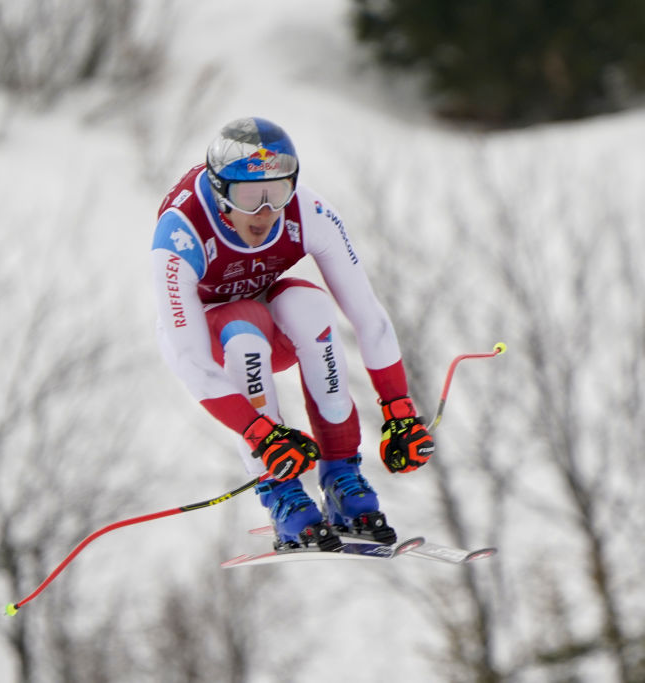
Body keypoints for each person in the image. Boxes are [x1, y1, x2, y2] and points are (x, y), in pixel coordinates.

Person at [150, 116, 434, 550]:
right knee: (242, 324)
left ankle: (343, 480)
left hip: (270, 327)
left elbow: (369, 317)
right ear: (220, 190)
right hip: (211, 343)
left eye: (277, 193)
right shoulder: (181, 232)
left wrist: (399, 411)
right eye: (249, 197)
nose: (264, 212)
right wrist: (262, 435)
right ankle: (283, 497)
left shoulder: (309, 212)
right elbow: (192, 362)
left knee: (310, 304)